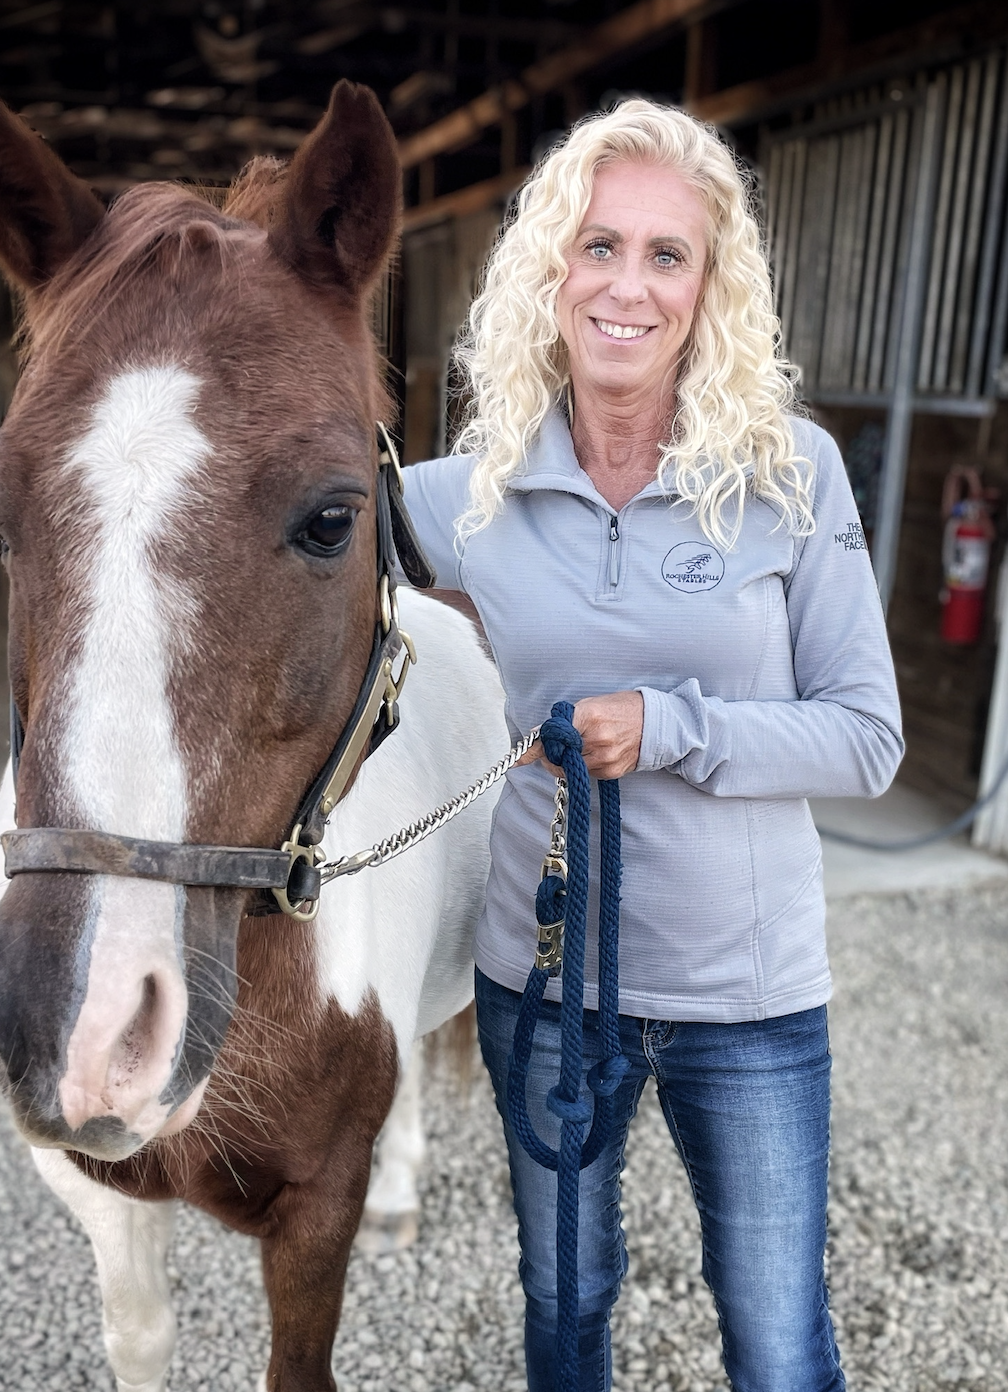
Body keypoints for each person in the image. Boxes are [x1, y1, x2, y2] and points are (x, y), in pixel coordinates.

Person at [401, 98, 903, 1392]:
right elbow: (288, 515)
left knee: (779, 1342)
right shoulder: (468, 493)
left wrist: (673, 729)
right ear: (550, 273)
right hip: (547, 980)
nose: (627, 285)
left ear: (710, 288)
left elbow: (866, 739)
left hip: (750, 999)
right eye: (598, 246)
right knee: (564, 1306)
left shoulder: (794, 478)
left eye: (666, 255)